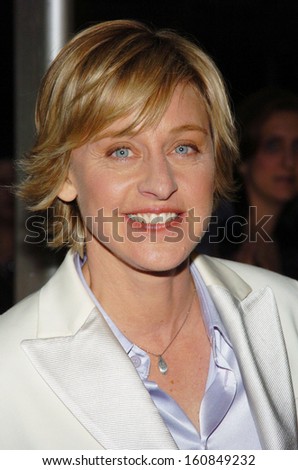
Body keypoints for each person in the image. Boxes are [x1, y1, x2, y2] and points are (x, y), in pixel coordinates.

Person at [0, 20, 297, 450]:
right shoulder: (8, 368)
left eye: (184, 147)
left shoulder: (287, 313)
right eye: (122, 151)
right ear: (65, 175)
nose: (161, 183)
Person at [223, 89, 298, 273]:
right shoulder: (212, 234)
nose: (289, 162)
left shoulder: (289, 246)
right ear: (243, 158)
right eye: (273, 146)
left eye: (297, 147)